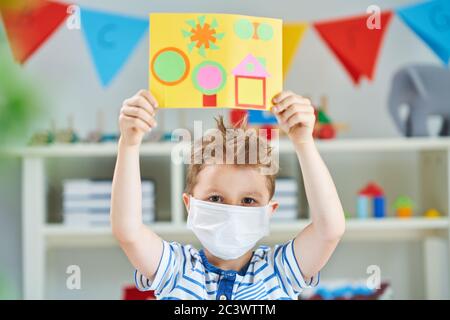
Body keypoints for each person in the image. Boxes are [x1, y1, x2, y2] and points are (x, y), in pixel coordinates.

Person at [110, 89, 345, 300]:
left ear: (269, 211)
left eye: (248, 200)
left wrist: (303, 142)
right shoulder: (176, 269)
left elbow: (329, 230)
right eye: (215, 198)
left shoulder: (279, 272)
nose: (233, 212)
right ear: (189, 204)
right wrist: (129, 145)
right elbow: (128, 231)